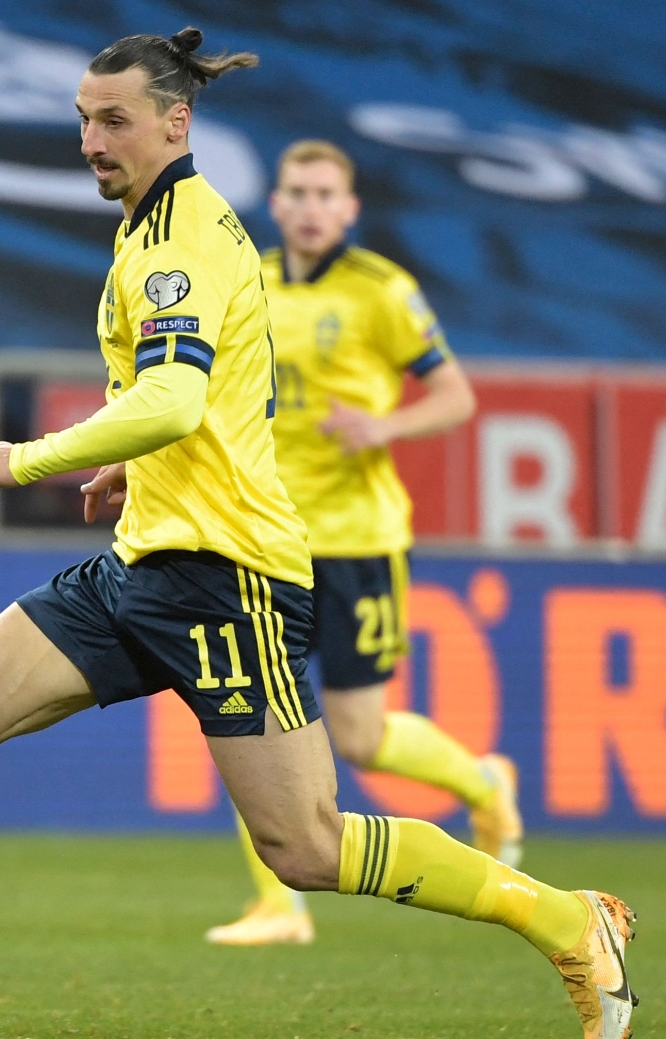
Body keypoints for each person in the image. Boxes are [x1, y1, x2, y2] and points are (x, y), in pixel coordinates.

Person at [0, 28, 636, 1039]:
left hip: (229, 579)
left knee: (306, 850)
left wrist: (27, 458)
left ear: (175, 123)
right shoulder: (153, 227)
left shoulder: (182, 238)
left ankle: (572, 924)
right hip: (145, 561)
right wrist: (130, 462)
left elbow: (177, 398)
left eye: (114, 120)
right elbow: (203, 402)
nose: (92, 140)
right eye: (84, 120)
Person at [205, 139, 520, 947]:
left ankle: (483, 782)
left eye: (324, 195)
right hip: (265, 531)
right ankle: (279, 905)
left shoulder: (384, 291)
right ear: (274, 203)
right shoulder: (246, 280)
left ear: (348, 210)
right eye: (296, 192)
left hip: (358, 540)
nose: (310, 207)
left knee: (359, 736)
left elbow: (454, 397)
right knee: (243, 709)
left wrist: (382, 425)